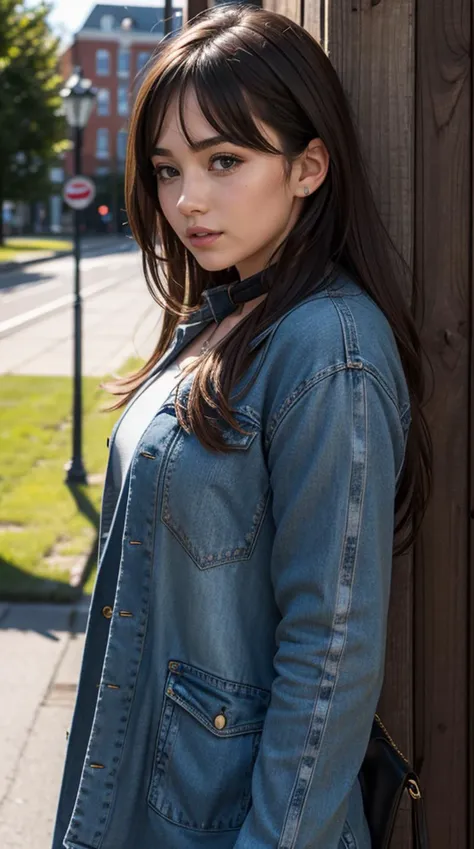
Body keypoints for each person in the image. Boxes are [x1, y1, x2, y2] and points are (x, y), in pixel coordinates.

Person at [52, 5, 432, 849]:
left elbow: (330, 649)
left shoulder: (328, 348)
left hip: (234, 825)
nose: (188, 198)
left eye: (225, 160)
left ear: (308, 166)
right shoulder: (226, 317)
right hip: (138, 795)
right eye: (166, 168)